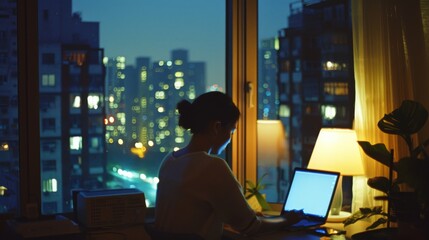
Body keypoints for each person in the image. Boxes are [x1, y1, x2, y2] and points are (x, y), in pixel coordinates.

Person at [154, 91, 303, 240]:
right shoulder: (212, 167)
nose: (230, 139)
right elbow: (251, 227)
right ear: (217, 127)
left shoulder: (170, 161)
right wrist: (288, 219)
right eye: (232, 131)